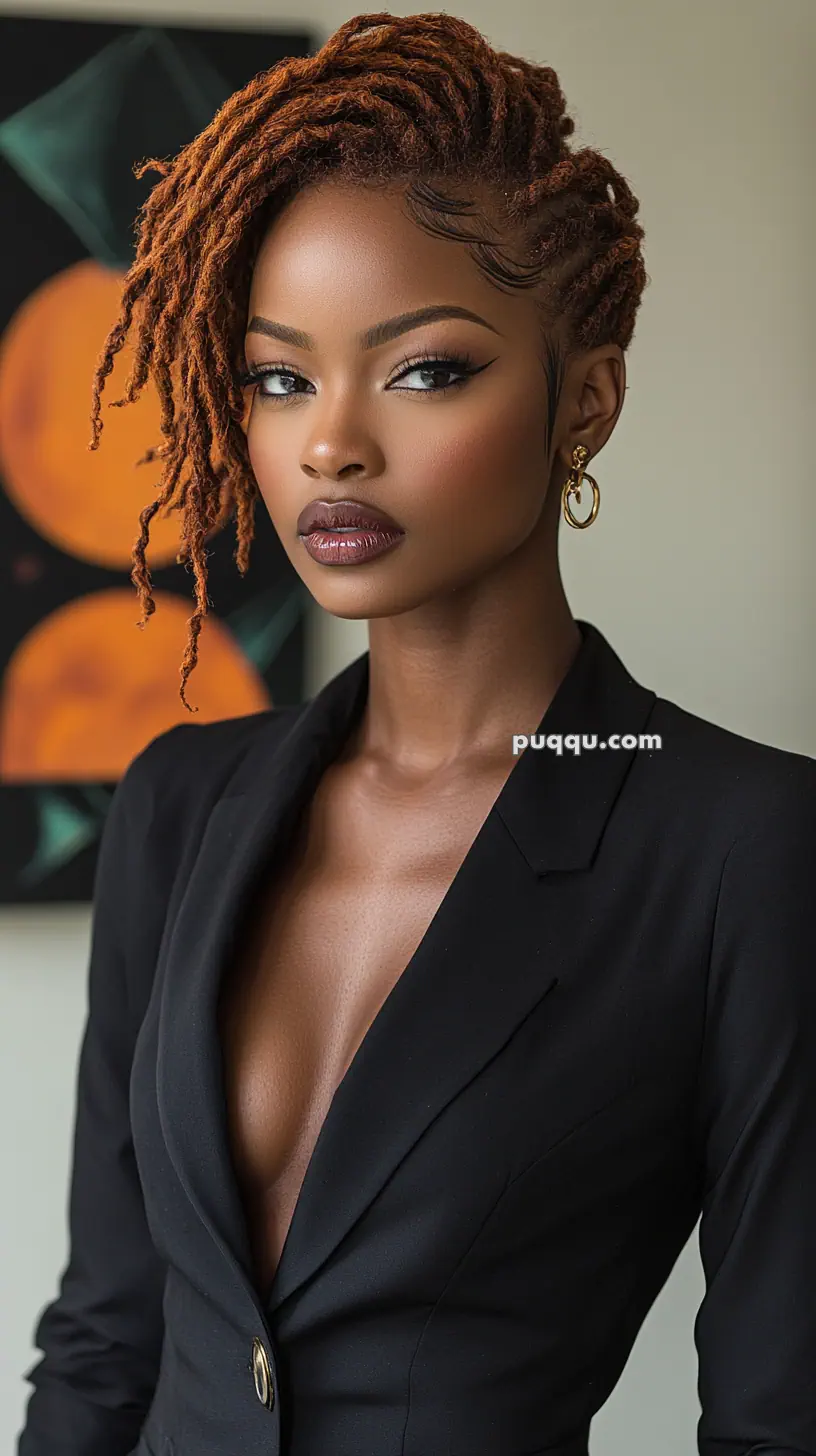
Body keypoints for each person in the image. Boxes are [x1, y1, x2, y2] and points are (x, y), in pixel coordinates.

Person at [17, 11, 816, 1456]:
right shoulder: (180, 802)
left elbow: (782, 1415)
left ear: (586, 400)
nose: (331, 442)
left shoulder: (742, 846)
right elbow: (104, 1337)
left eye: (425, 369)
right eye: (278, 377)